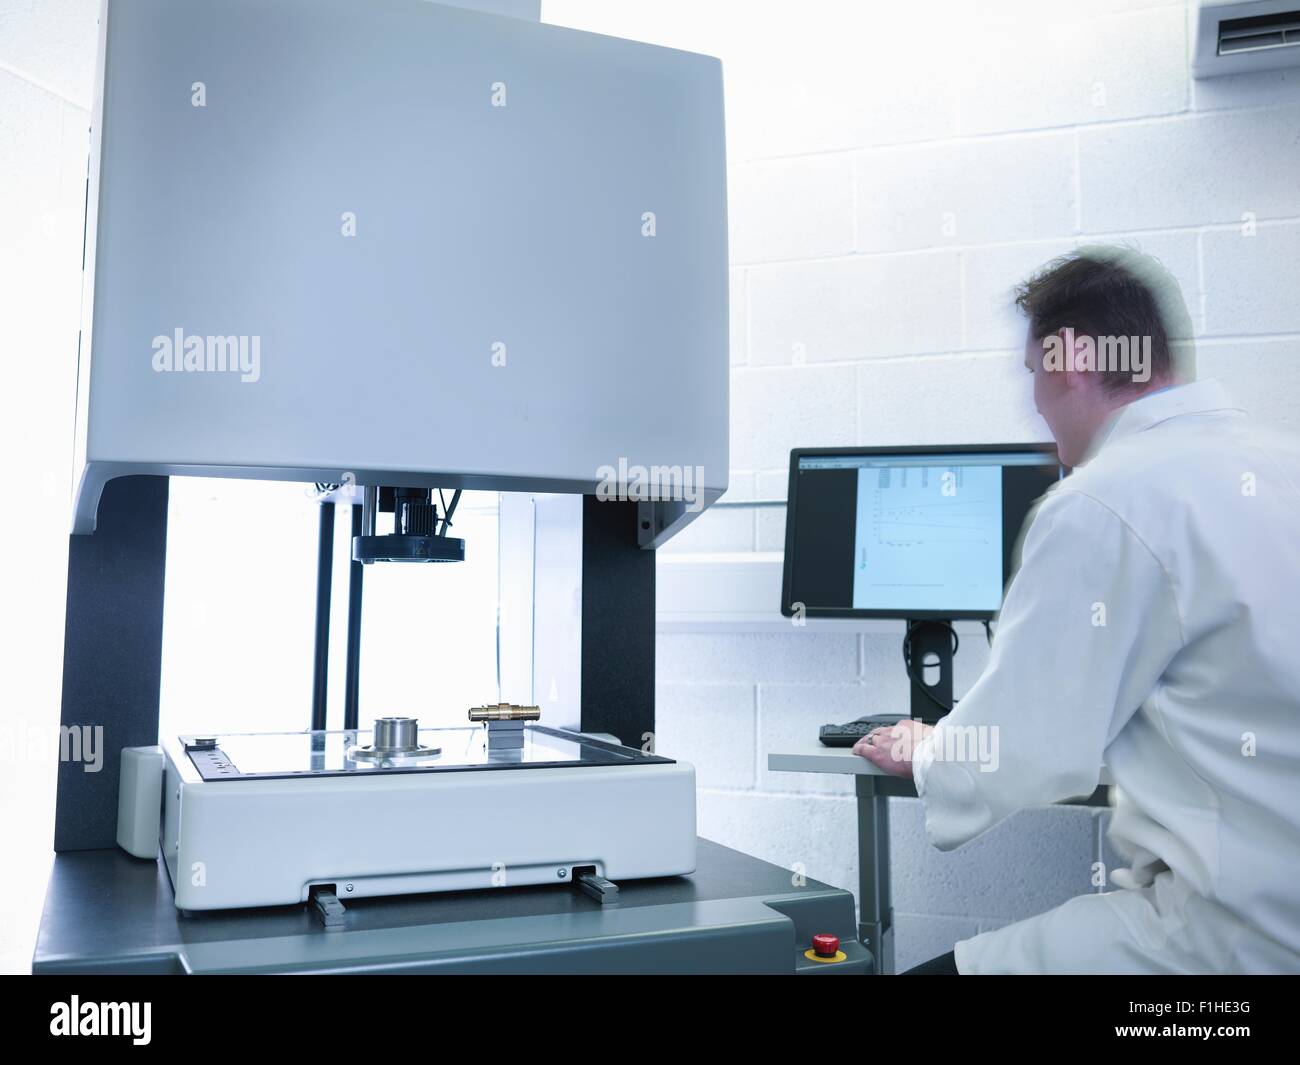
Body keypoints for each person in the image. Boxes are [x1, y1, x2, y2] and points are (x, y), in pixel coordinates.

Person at [855, 246, 1300, 974]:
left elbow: (1017, 747)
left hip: (1223, 944)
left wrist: (928, 750)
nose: (1037, 411)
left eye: (1033, 375)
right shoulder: (1280, 462)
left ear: (1067, 361)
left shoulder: (1102, 501)